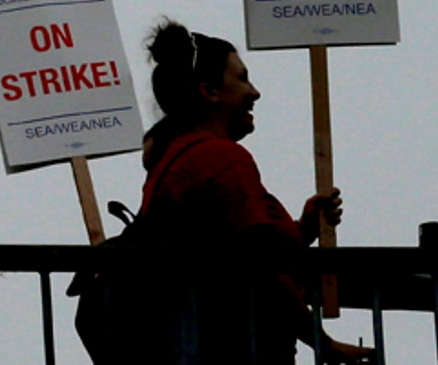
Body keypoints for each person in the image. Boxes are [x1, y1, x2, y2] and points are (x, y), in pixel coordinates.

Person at [135, 20, 372, 364]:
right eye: (242, 78)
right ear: (210, 91)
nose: (255, 92)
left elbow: (225, 246)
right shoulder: (221, 158)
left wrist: (301, 229)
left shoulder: (174, 161)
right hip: (235, 346)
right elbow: (259, 267)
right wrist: (322, 341)